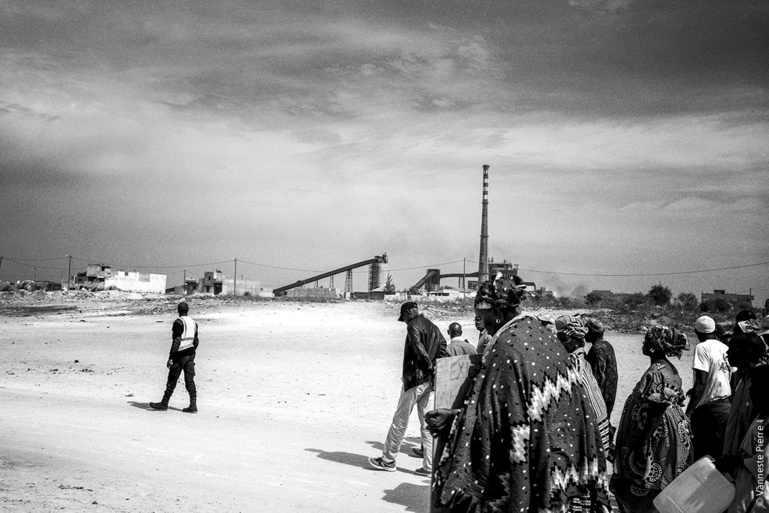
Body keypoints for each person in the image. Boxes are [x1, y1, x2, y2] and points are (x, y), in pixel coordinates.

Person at [426, 274, 610, 512]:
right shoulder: (543, 336)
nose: (487, 329)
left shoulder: (506, 348)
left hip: (537, 466)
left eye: (486, 321)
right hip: (563, 462)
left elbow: (494, 416)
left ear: (498, 314)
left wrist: (453, 421)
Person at [610, 326, 693, 513]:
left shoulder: (656, 372)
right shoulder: (667, 368)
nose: (643, 343)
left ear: (655, 346)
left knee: (647, 480)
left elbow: (656, 409)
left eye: (647, 340)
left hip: (655, 433)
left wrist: (644, 442)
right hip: (665, 429)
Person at [369, 301, 448, 476]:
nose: (404, 321)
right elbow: (443, 348)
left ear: (410, 312)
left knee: (400, 420)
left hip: (415, 380)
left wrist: (427, 365)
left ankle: (388, 460)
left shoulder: (413, 325)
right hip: (430, 382)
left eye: (403, 317)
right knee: (428, 423)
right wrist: (436, 370)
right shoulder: (433, 327)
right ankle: (429, 466)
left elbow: (418, 347)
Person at [555, 315, 612, 455]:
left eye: (564, 340)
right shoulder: (582, 359)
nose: (559, 344)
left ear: (576, 341)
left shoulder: (574, 363)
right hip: (599, 423)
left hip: (593, 429)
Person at [716, 332, 767, 479]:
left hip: (749, 468)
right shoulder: (742, 378)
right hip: (736, 462)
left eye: (732, 349)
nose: (727, 352)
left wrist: (737, 462)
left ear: (747, 353)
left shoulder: (760, 382)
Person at [686, 315, 732, 461]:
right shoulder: (725, 347)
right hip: (726, 406)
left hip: (709, 410)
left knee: (702, 454)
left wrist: (688, 413)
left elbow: (701, 382)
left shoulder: (702, 347)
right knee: (719, 452)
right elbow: (729, 377)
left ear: (697, 332)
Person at [727, 364, 769, 513]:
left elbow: (764, 463)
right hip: (746, 489)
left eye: (756, 385)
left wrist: (735, 462)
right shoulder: (762, 417)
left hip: (757, 498)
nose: (750, 389)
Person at [150, 301, 199, 413]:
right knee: (190, 380)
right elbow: (196, 340)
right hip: (190, 355)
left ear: (178, 311)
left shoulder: (178, 322)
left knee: (172, 379)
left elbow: (176, 341)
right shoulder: (193, 323)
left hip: (180, 356)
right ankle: (193, 405)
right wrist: (192, 351)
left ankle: (164, 403)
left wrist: (171, 357)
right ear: (187, 310)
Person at [584, 318, 618, 418]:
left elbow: (597, 378)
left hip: (601, 399)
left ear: (593, 332)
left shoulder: (598, 349)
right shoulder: (607, 345)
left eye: (587, 331)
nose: (585, 334)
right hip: (609, 396)